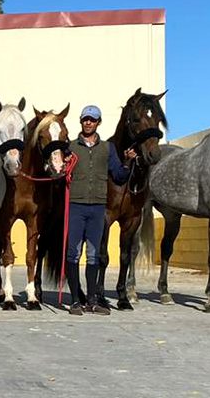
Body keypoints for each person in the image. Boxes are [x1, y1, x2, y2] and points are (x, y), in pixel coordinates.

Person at [64, 104, 136, 316]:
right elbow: (58, 175)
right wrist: (61, 165)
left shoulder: (107, 148)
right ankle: (76, 301)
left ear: (98, 123)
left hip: (97, 208)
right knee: (73, 253)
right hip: (76, 206)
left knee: (94, 255)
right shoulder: (70, 148)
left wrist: (128, 162)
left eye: (92, 119)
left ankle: (93, 300)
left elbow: (119, 176)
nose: (88, 122)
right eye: (85, 119)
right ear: (81, 121)